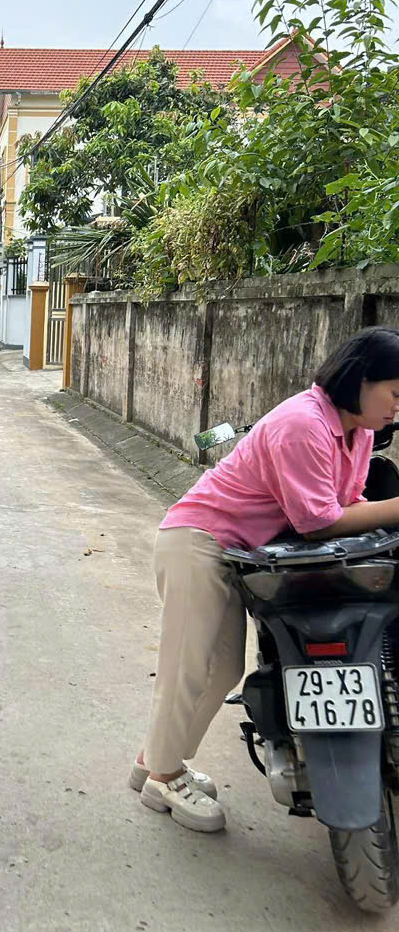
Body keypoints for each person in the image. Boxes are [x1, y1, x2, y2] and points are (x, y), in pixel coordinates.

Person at [131, 327, 399, 833]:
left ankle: (154, 759)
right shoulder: (303, 422)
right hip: (199, 540)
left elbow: (347, 501)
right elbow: (317, 519)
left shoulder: (357, 434)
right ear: (362, 380)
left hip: (234, 552)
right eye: (395, 394)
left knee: (221, 669)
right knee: (190, 665)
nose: (396, 409)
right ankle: (163, 777)